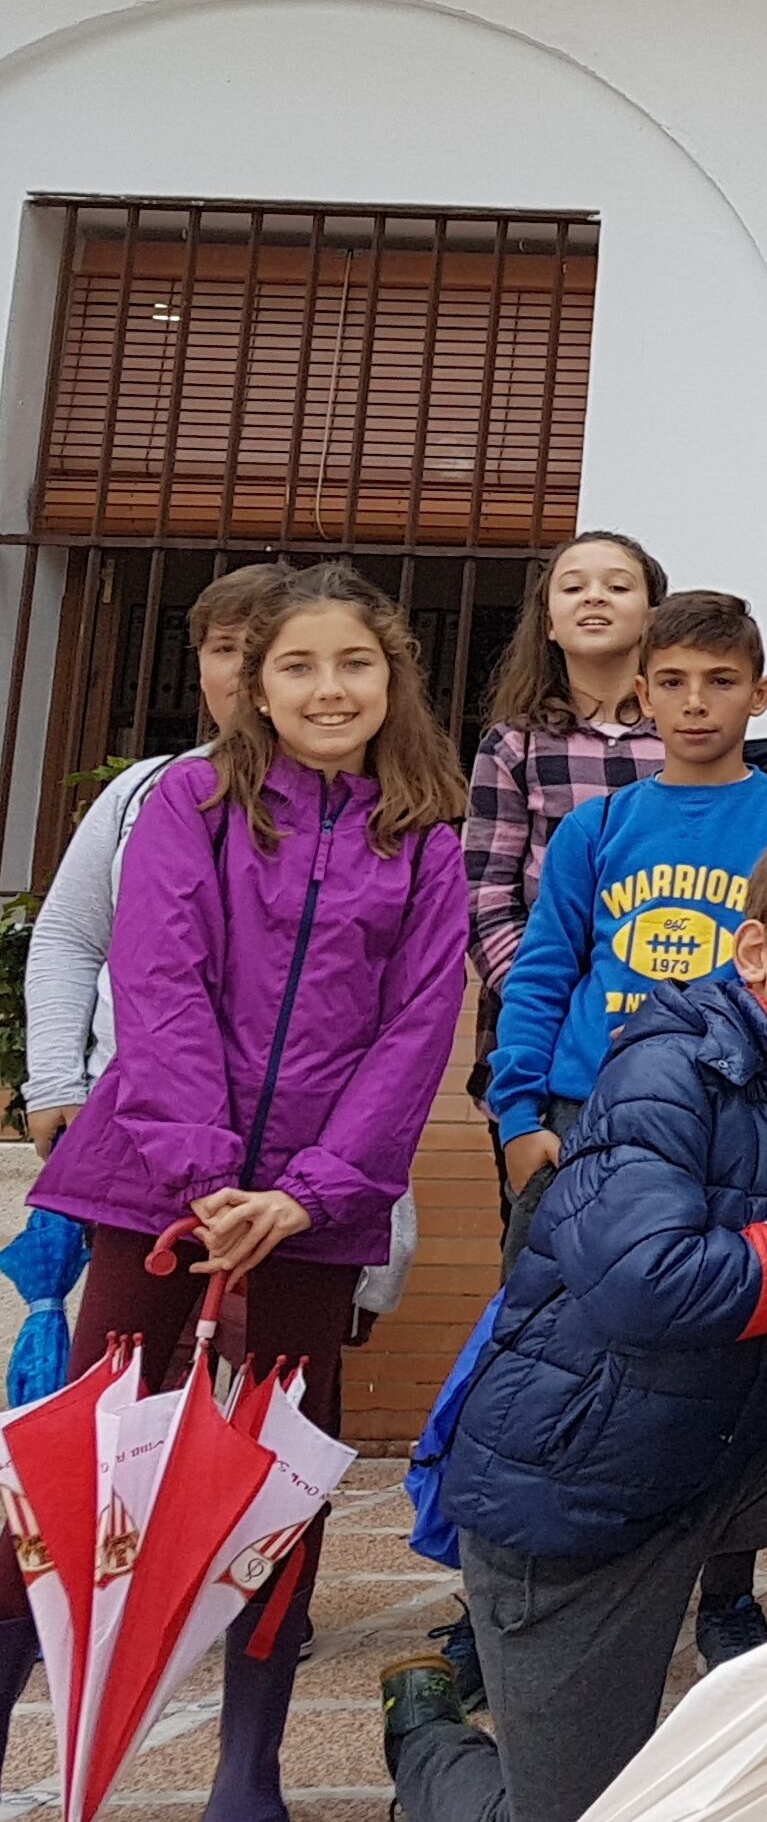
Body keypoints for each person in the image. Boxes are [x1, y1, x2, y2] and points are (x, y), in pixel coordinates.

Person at [11, 564, 470, 1822]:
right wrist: (213, 1182)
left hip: (317, 1215)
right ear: (254, 688)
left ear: (393, 679)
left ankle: (248, 1767)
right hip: (152, 1182)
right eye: (299, 667)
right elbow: (160, 989)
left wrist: (309, 1195)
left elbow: (414, 1031)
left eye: (355, 665)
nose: (330, 689)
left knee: (283, 1474)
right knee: (82, 1463)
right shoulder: (186, 807)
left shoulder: (424, 836)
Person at [384, 834, 767, 1822]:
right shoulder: (671, 1060)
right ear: (757, 951)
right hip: (577, 1500)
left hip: (721, 1465)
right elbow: (644, 1287)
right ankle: (427, 1746)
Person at [490, 591, 767, 1249]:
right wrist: (516, 1117)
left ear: (760, 694)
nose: (696, 702)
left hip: (729, 1112)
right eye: (674, 682)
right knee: (543, 1334)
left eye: (721, 681)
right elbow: (539, 980)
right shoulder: (593, 828)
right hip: (586, 1109)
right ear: (644, 694)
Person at [16, 559, 288, 1155]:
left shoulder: (374, 810)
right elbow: (71, 937)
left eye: (261, 649)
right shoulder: (143, 789)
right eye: (222, 648)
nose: (241, 672)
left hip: (294, 1132)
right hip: (127, 1116)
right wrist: (59, 1080)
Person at [466, 529, 670, 998]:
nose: (595, 598)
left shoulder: (685, 739)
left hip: (665, 1012)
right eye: (574, 588)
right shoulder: (515, 745)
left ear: (653, 619)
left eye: (617, 587)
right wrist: (534, 997)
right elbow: (485, 893)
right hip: (539, 1009)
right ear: (549, 625)